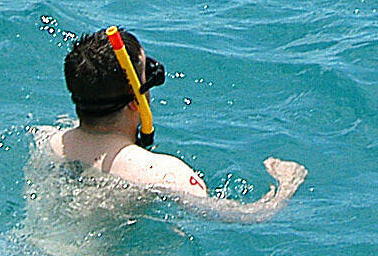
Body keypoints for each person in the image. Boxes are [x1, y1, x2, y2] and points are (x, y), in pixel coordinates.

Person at [33, 26, 305, 223]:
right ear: (136, 100)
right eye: (147, 75)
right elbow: (247, 216)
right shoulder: (163, 173)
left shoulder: (49, 141)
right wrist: (285, 187)